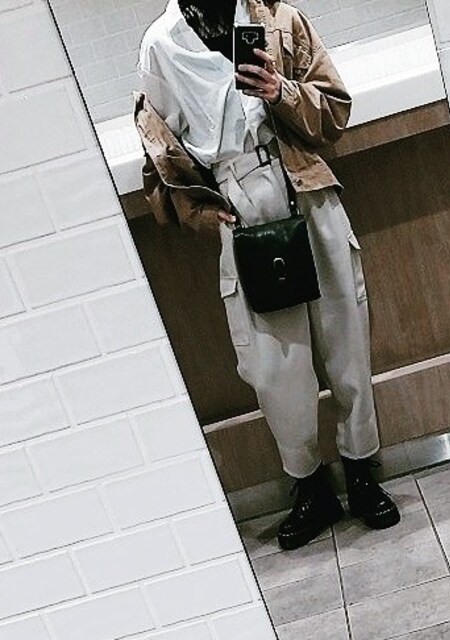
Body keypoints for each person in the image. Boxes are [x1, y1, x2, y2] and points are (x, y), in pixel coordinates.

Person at [136, 0, 400, 551]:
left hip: (303, 183)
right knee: (275, 367)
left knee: (346, 341)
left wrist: (281, 92)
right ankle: (310, 488)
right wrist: (199, 211)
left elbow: (335, 110)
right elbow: (158, 154)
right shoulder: (161, 45)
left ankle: (361, 471)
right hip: (238, 202)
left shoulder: (277, 18)